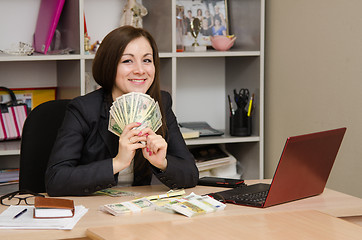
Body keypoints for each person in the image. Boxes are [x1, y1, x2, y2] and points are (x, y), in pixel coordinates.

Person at [45, 26, 199, 196]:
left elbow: (190, 174)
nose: (140, 70)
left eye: (147, 60)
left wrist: (163, 163)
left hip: (138, 210)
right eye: (127, 61)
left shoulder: (160, 103)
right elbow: (56, 180)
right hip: (93, 210)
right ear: (109, 65)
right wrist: (117, 163)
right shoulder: (83, 109)